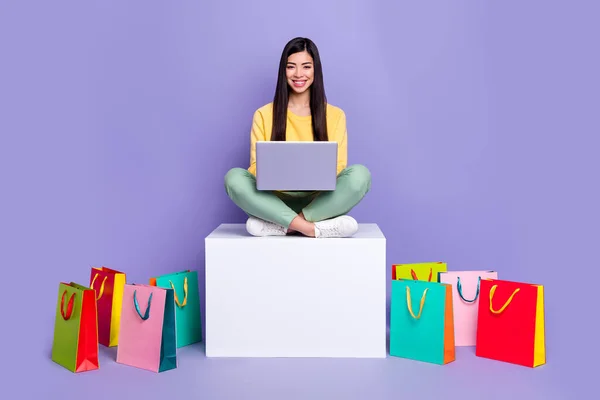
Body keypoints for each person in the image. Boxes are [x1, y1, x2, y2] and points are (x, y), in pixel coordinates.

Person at [224, 37, 371, 238]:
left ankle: (286, 225)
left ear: (315, 70)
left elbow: (338, 167)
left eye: (306, 67)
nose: (299, 74)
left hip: (320, 203)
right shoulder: (264, 114)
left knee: (360, 175)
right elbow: (256, 167)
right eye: (291, 67)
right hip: (273, 202)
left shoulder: (335, 115)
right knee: (234, 179)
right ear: (283, 71)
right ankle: (312, 229)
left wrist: (307, 179)